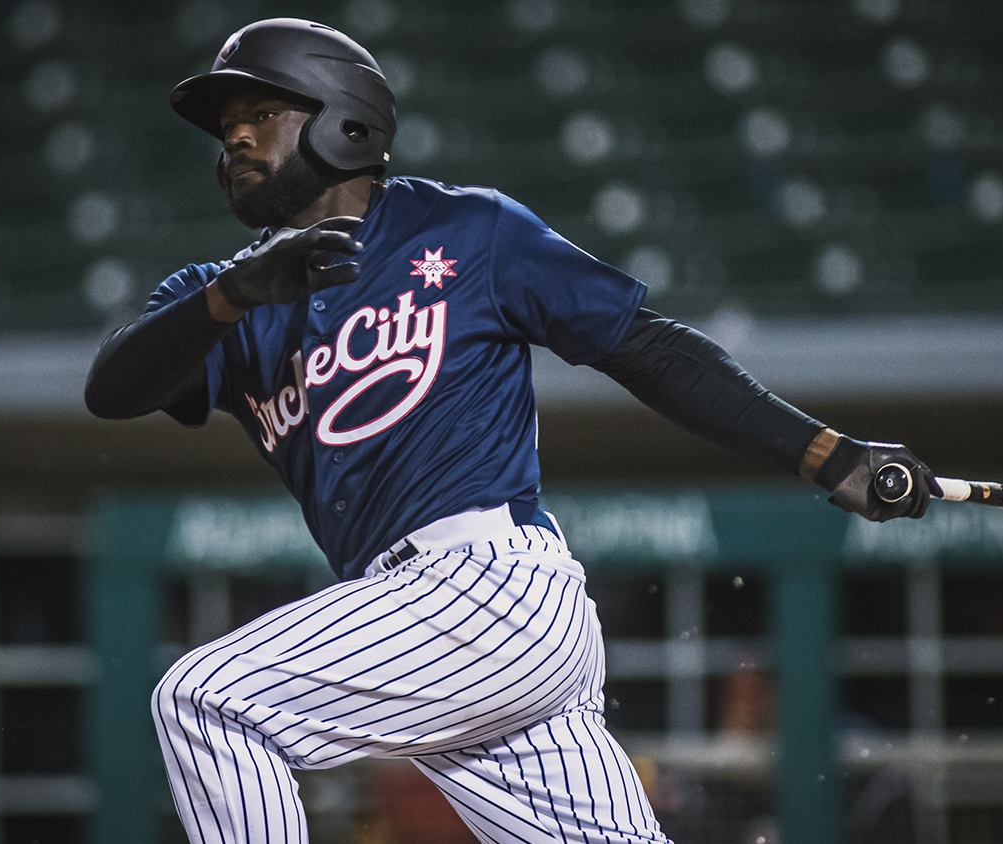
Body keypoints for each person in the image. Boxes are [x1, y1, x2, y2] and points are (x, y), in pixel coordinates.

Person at [83, 17, 937, 844]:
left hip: (486, 589)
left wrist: (826, 453)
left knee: (207, 699)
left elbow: (647, 348)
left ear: (344, 119)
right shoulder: (216, 296)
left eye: (259, 114)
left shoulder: (463, 230)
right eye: (224, 126)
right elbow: (114, 389)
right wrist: (234, 295)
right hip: (430, 635)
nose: (233, 138)